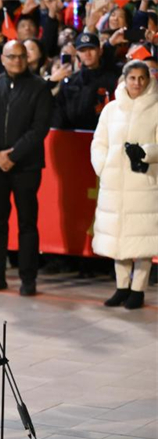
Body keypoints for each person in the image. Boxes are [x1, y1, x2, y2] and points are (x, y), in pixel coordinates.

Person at [0, 40, 53, 296]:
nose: (17, 61)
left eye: (21, 56)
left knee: (27, 223)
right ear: (2, 59)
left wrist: (14, 155)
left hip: (26, 166)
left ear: (26, 59)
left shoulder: (39, 88)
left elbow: (40, 128)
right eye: (11, 56)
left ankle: (28, 279)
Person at [91, 60, 158, 310]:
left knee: (142, 239)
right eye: (133, 78)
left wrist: (146, 152)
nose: (137, 83)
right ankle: (121, 287)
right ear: (124, 79)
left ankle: (138, 290)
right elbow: (99, 142)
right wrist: (103, 166)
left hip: (145, 183)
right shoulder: (111, 110)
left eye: (142, 78)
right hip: (115, 184)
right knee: (118, 237)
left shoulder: (156, 108)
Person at [52, 33, 121, 131]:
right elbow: (60, 112)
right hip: (74, 136)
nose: (87, 54)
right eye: (82, 50)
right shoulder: (70, 81)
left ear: (100, 51)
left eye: (91, 49)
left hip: (104, 134)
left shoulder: (113, 79)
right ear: (77, 54)